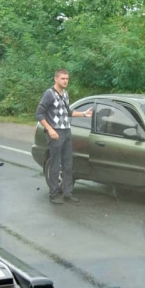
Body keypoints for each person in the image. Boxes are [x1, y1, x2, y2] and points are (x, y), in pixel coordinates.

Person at [35, 68, 92, 204]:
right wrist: (50, 130)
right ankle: (54, 194)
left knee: (68, 164)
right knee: (55, 164)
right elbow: (39, 114)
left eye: (67, 79)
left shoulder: (65, 94)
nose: (65, 81)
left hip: (66, 131)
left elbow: (68, 112)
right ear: (56, 79)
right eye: (62, 78)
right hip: (55, 132)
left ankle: (67, 193)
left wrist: (84, 114)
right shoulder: (49, 94)